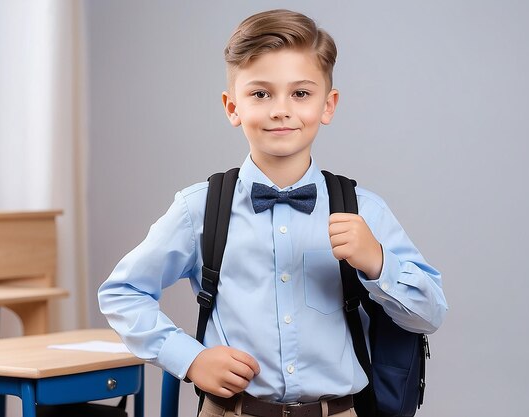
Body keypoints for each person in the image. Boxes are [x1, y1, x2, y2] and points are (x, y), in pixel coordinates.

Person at [98, 9, 448, 417]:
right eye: (261, 94)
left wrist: (378, 263)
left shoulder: (364, 210)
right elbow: (122, 292)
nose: (281, 109)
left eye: (300, 93)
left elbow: (430, 314)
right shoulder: (200, 209)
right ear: (233, 107)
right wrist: (189, 358)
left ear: (328, 105)